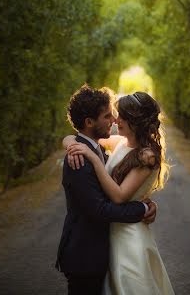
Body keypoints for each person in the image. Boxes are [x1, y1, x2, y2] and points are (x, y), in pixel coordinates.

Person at [64, 90, 175, 295]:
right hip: (110, 235)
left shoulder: (147, 156)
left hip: (128, 237)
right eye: (112, 115)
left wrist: (95, 160)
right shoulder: (121, 143)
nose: (116, 120)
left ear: (135, 121)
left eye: (121, 116)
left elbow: (119, 196)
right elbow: (82, 139)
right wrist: (70, 143)